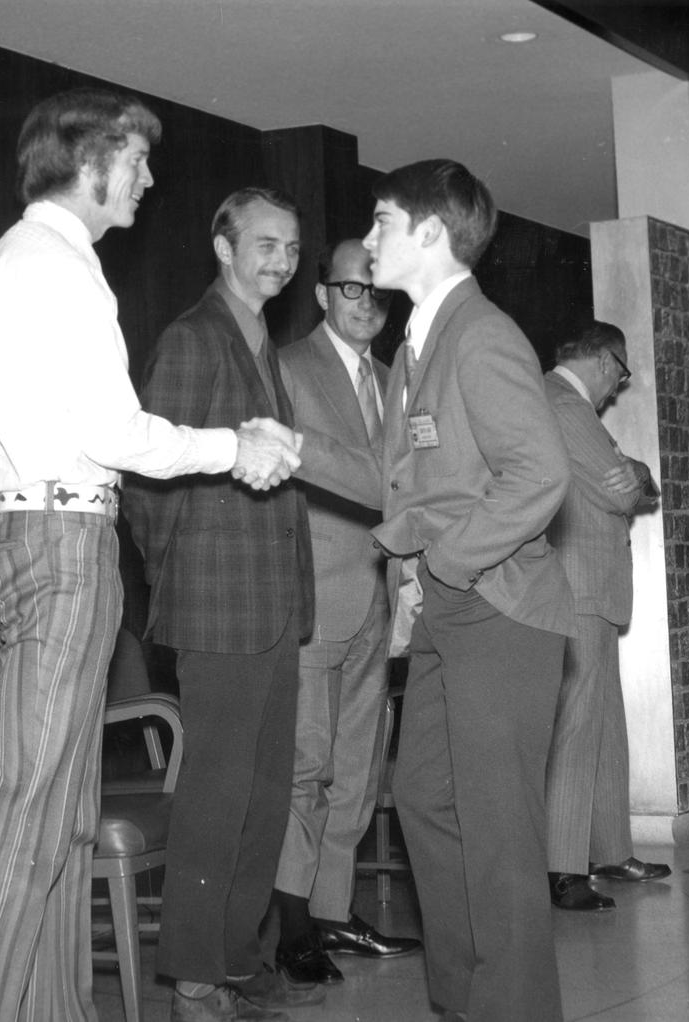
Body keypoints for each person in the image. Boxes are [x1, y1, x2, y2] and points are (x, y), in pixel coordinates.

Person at [0, 90, 300, 1022]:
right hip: (63, 544)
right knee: (32, 810)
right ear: (89, 164)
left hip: (21, 532)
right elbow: (115, 431)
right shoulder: (64, 266)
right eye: (135, 161)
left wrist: (13, 490)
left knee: (58, 813)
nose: (146, 178)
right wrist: (230, 448)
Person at [293, 159, 575, 1022]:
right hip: (456, 611)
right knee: (423, 798)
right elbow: (397, 481)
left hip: (500, 608)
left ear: (428, 234)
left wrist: (445, 564)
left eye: (380, 222)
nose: (369, 240)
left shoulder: (480, 336)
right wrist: (294, 449)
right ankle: (466, 1001)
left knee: (498, 836)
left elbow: (540, 475)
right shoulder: (422, 342)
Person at [124, 187, 321, 1022]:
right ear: (223, 244)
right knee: (216, 796)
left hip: (274, 606)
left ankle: (240, 958)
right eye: (264, 243)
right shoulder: (192, 336)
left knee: (265, 795)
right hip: (217, 607)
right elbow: (147, 482)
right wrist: (182, 577)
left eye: (290, 247)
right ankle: (194, 980)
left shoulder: (262, 341)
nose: (279, 258)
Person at [271, 240, 420, 986]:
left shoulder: (396, 381)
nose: (368, 307)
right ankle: (293, 922)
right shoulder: (287, 368)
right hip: (314, 595)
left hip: (379, 594)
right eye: (354, 292)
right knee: (307, 761)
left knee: (359, 764)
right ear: (323, 294)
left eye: (379, 296)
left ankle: (334, 909)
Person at [543, 320, 668, 912]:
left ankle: (611, 849)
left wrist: (639, 472)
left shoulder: (570, 408)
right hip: (578, 586)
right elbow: (623, 493)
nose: (619, 387)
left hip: (593, 588)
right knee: (577, 725)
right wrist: (636, 475)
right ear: (603, 359)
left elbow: (639, 483)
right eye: (620, 373)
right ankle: (564, 868)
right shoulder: (564, 406)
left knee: (605, 724)